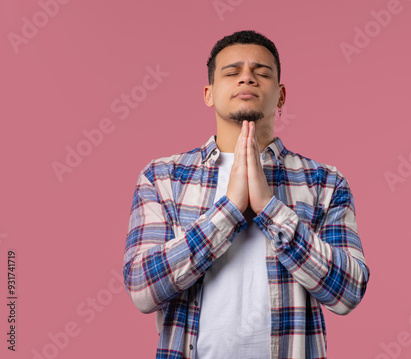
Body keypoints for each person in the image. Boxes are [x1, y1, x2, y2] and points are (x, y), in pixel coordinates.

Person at [123, 29, 370, 359]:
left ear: (281, 96)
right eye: (232, 71)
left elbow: (348, 292)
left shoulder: (325, 182)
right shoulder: (163, 177)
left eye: (261, 72)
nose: (247, 79)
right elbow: (143, 289)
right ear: (209, 93)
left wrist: (269, 208)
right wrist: (231, 210)